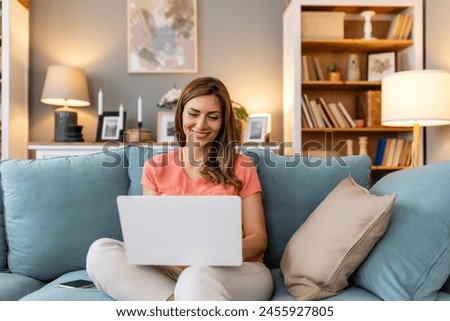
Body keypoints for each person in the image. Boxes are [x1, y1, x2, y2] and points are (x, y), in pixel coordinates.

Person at [86, 77, 273, 301]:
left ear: (223, 122)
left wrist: (214, 254)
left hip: (237, 269)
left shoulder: (242, 165)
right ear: (181, 114)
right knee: (101, 252)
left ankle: (185, 298)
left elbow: (258, 239)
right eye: (193, 114)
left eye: (212, 117)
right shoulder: (155, 168)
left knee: (196, 277)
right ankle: (179, 303)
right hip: (174, 272)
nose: (201, 125)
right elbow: (151, 237)